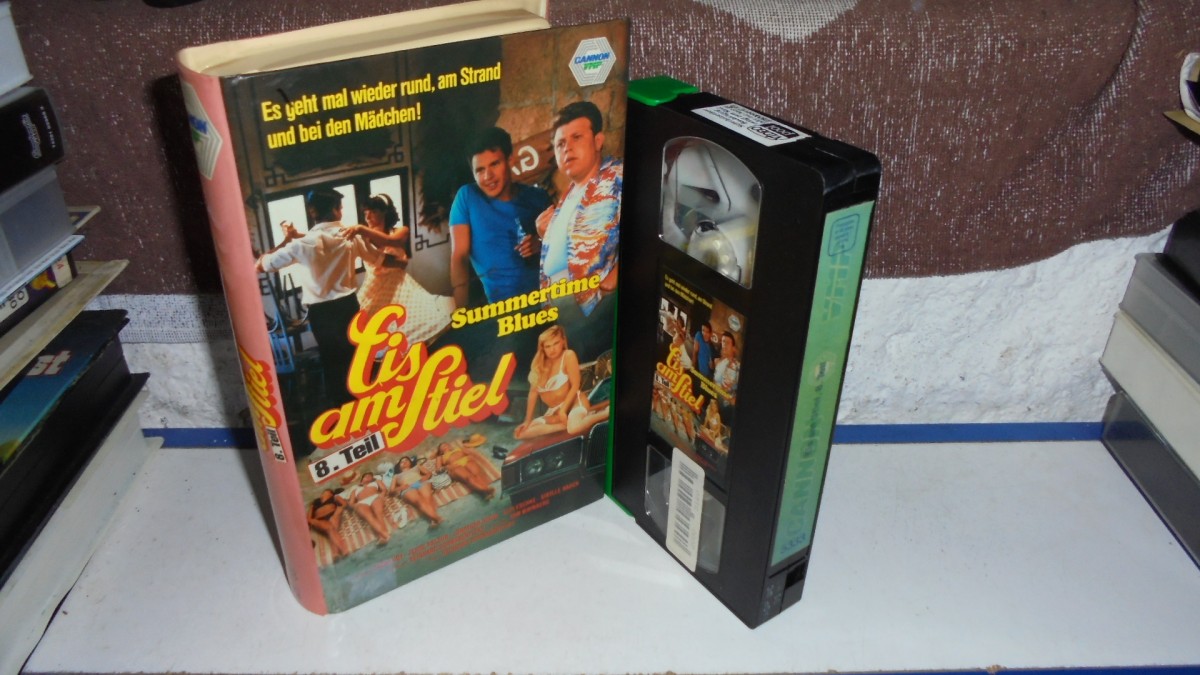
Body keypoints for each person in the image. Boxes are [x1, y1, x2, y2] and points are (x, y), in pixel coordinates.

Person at [256, 188, 382, 403]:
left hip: (321, 313)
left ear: (313, 212)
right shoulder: (351, 237)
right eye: (340, 208)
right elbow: (378, 259)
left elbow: (261, 265)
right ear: (335, 210)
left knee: (332, 362)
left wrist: (286, 240)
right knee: (357, 359)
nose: (341, 213)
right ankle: (365, 407)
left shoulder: (300, 245)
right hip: (348, 306)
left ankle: (340, 410)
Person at [536, 101, 622, 363]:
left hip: (595, 306)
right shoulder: (570, 193)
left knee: (596, 374)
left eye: (576, 137)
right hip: (563, 311)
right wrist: (544, 234)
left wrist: (619, 273)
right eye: (560, 143)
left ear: (598, 141)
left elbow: (651, 223)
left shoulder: (617, 176)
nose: (567, 148)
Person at [448, 126, 553, 308]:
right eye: (480, 170)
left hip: (548, 297)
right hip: (504, 309)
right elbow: (459, 256)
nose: (488, 176)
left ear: (510, 160)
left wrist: (540, 242)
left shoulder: (538, 197)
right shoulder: (467, 197)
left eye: (494, 164)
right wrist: (459, 312)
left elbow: (562, 248)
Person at [342, 193, 454, 345]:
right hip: (374, 287)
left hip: (398, 284)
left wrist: (361, 228)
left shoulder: (400, 231)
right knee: (369, 328)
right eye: (366, 212)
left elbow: (389, 241)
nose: (368, 216)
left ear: (384, 212)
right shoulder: (363, 238)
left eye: (373, 211)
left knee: (419, 317)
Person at [514, 325, 581, 440]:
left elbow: (576, 385)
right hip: (553, 412)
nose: (552, 350)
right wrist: (527, 420)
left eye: (556, 343)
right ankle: (564, 426)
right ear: (542, 348)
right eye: (548, 346)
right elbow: (533, 393)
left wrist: (563, 410)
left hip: (570, 405)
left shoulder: (568, 355)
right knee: (520, 434)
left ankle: (569, 424)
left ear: (563, 341)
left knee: (570, 427)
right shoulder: (538, 365)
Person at [389, 454, 444, 527]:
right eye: (402, 462)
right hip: (408, 488)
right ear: (399, 466)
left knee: (427, 497)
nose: (404, 462)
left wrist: (425, 477)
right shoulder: (396, 476)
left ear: (410, 462)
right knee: (418, 501)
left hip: (420, 482)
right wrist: (400, 488)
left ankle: (433, 519)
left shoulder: (417, 467)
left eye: (406, 460)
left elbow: (429, 473)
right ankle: (437, 518)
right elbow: (391, 491)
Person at [348, 472, 395, 545]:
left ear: (372, 478)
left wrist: (381, 495)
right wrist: (355, 505)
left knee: (378, 513)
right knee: (369, 517)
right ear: (362, 480)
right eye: (366, 476)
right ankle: (386, 535)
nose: (368, 477)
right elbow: (350, 503)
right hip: (361, 502)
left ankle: (381, 537)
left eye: (370, 476)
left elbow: (384, 489)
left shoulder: (376, 482)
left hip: (375, 497)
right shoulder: (355, 490)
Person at [307, 488, 350, 562]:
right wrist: (312, 521)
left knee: (331, 528)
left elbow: (344, 504)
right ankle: (345, 551)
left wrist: (337, 512)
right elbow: (309, 517)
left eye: (326, 492)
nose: (323, 494)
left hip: (332, 515)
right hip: (319, 520)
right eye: (323, 493)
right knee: (330, 527)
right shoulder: (316, 502)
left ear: (330, 493)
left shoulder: (334, 497)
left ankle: (335, 554)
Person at [713, 330, 741, 399]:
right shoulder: (719, 362)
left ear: (733, 348)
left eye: (728, 342)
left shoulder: (737, 367)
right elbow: (715, 382)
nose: (724, 344)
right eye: (723, 341)